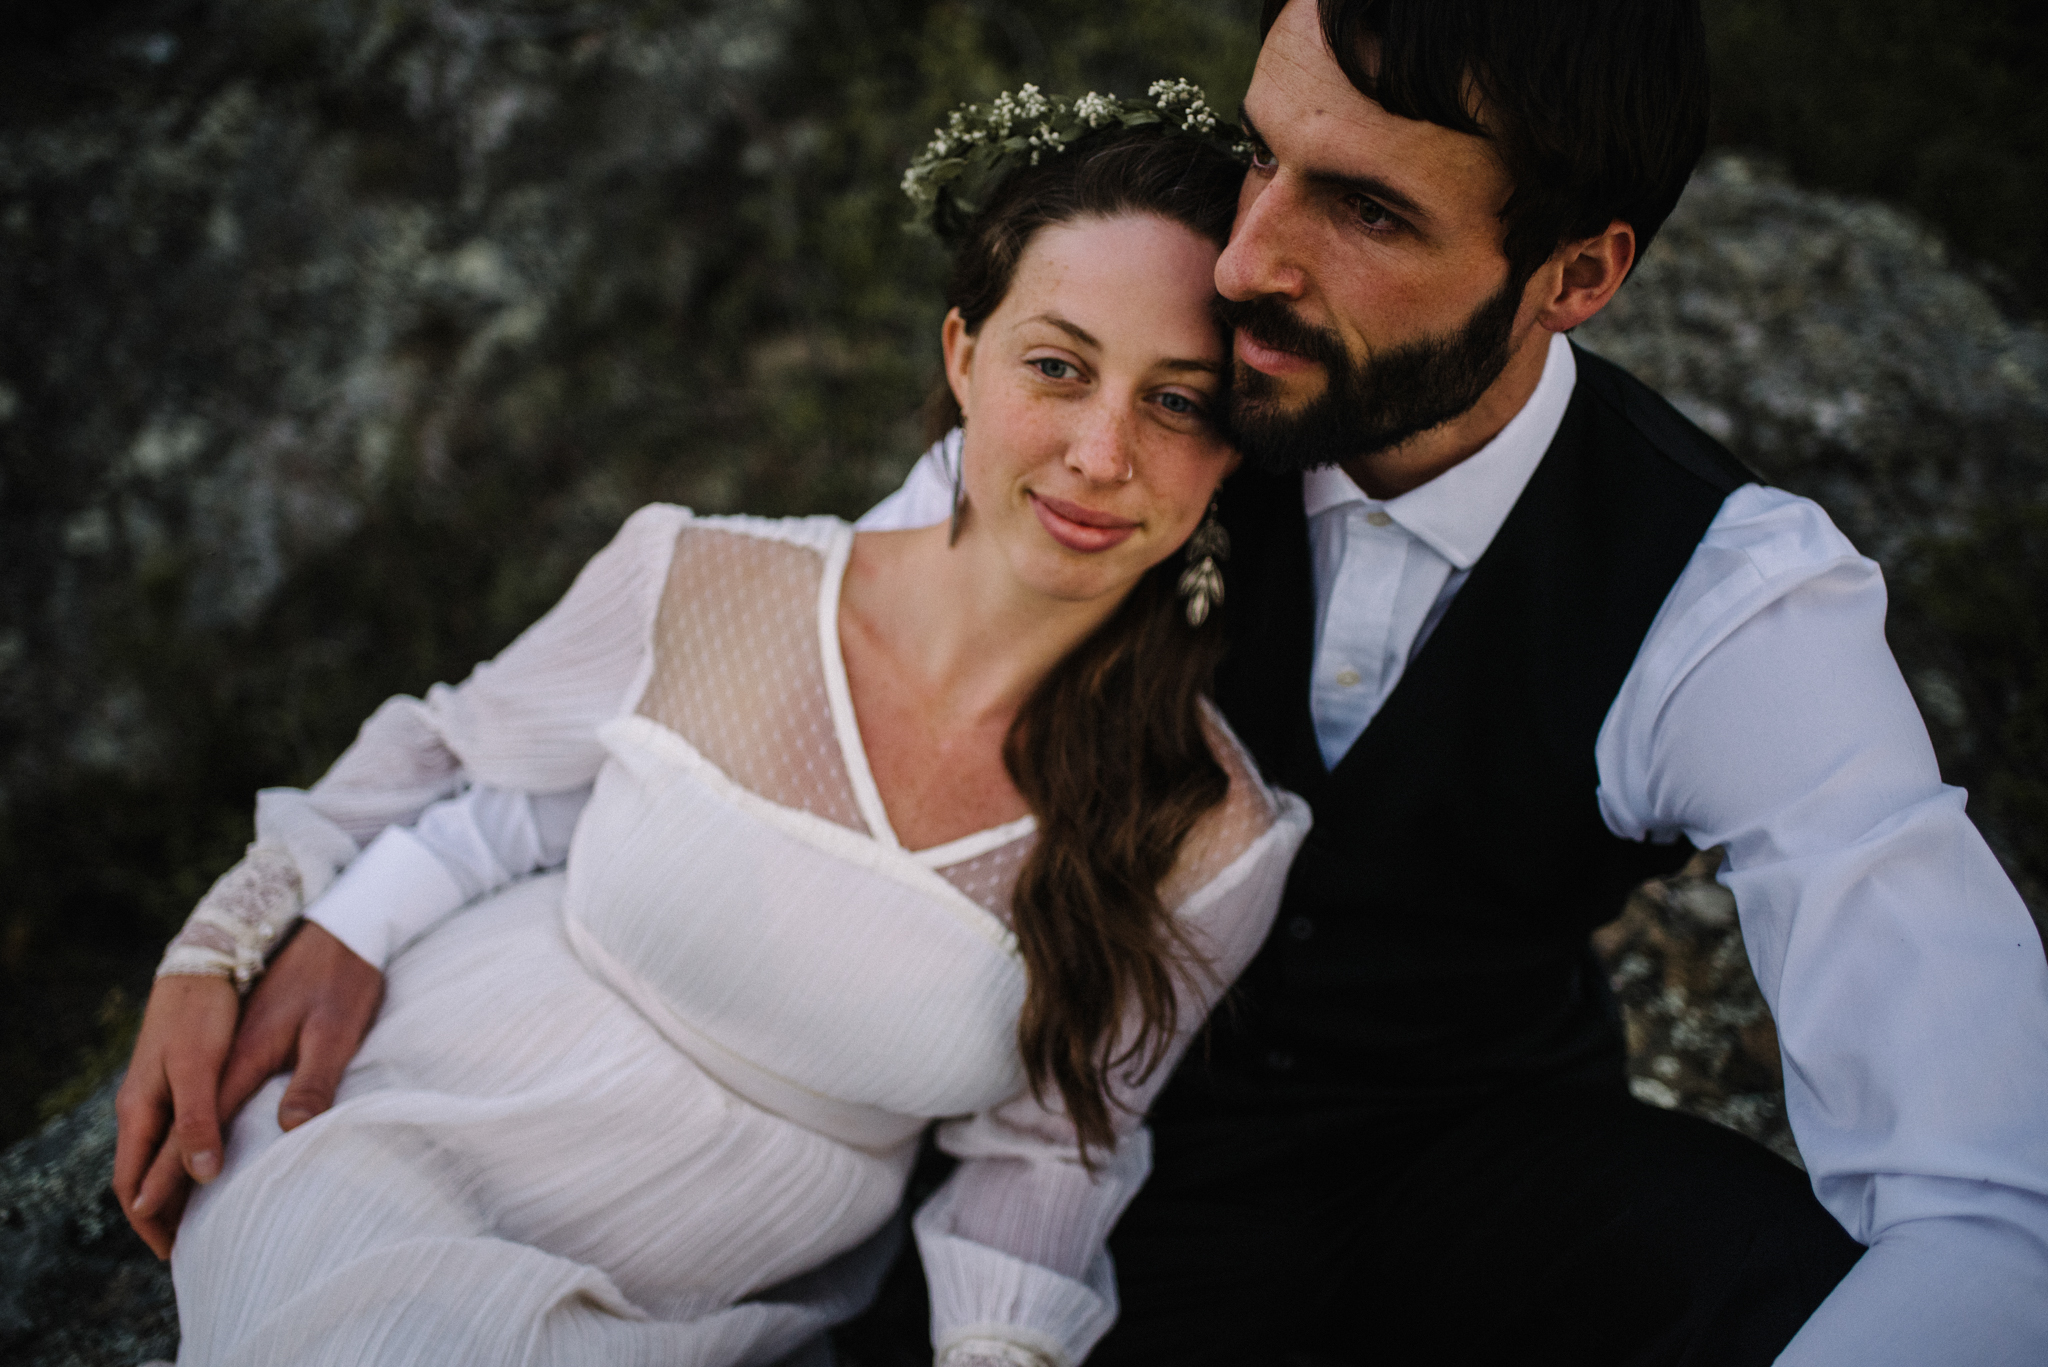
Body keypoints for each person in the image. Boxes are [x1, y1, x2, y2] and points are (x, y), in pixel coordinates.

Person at [864, 3, 2048, 1364]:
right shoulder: (1126, 402)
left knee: (1761, 1271)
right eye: (1261, 157)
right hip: (1070, 1158)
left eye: (1367, 213)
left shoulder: (1720, 590)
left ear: (1575, 271)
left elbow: (1977, 1198)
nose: (1246, 263)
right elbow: (834, 680)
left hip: (1474, 1188)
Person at [113, 94, 1312, 1367]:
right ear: (964, 354)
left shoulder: (1205, 828)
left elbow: (1054, 1145)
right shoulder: (701, 577)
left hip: (714, 1301)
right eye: (1056, 366)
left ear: (1234, 449)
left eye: (1177, 402)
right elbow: (452, 747)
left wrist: (998, 1353)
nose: (1099, 451)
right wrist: (221, 944)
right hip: (416, 1128)